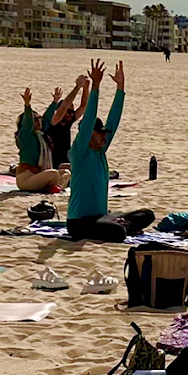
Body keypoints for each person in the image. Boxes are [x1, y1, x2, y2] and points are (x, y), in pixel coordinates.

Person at [67, 60, 155, 241]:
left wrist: (120, 88)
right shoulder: (80, 153)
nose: (104, 137)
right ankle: (123, 226)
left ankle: (122, 224)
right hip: (79, 222)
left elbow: (114, 120)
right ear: (89, 134)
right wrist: (96, 86)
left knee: (147, 214)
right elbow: (88, 119)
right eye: (99, 133)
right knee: (118, 232)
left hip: (102, 217)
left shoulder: (100, 152)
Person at [15, 87, 69, 192]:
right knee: (53, 174)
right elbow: (27, 123)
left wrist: (55, 102)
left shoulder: (40, 135)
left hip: (39, 175)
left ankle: (56, 188)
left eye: (39, 118)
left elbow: (47, 119)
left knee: (66, 172)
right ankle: (52, 187)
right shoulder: (26, 136)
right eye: (36, 119)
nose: (39, 121)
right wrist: (27, 105)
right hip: (26, 179)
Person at [46, 75, 90, 170]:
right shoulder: (53, 122)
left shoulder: (68, 122)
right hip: (53, 164)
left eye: (72, 111)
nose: (71, 114)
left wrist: (86, 88)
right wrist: (77, 87)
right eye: (69, 112)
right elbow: (64, 106)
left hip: (66, 161)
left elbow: (83, 106)